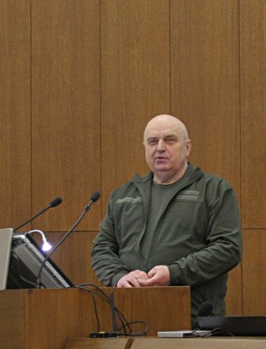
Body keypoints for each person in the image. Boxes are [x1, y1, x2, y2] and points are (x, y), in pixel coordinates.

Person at [91, 114, 242, 321]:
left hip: (193, 318)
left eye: (169, 140)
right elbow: (102, 248)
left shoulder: (213, 190)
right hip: (128, 315)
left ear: (187, 147)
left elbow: (228, 248)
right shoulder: (123, 195)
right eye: (153, 141)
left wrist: (174, 273)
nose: (160, 148)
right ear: (145, 148)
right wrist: (119, 277)